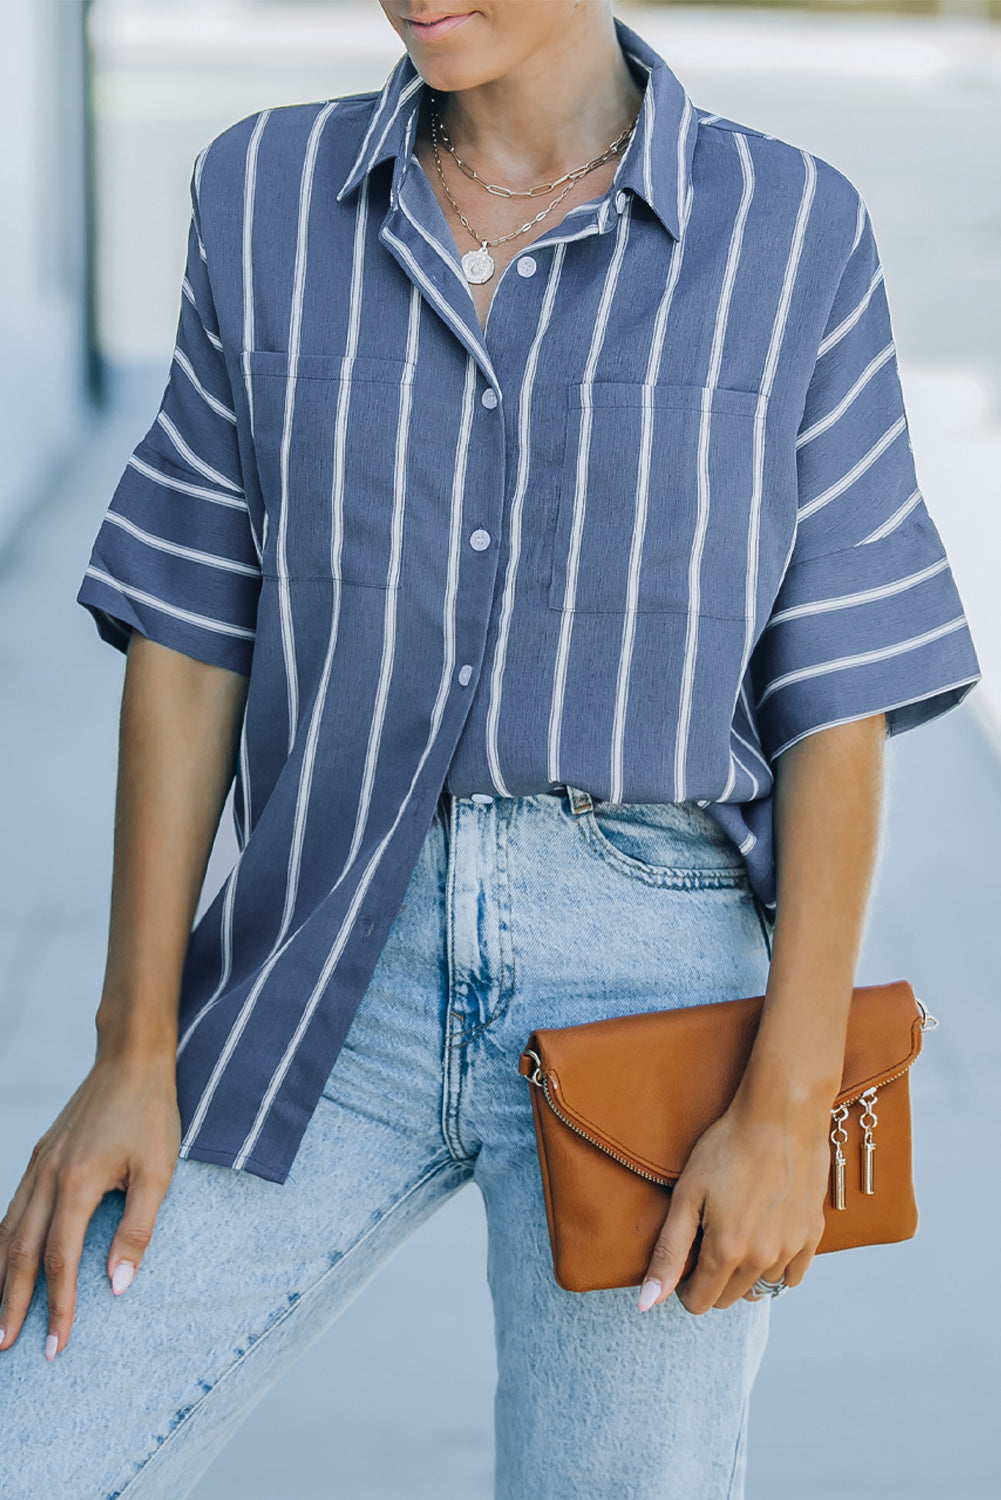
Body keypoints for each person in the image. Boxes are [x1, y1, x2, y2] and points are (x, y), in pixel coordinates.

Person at [0, 3, 981, 1496]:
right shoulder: (264, 195)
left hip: (655, 992)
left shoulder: (791, 233)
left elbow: (832, 701)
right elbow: (191, 628)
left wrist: (785, 1109)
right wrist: (131, 1051)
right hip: (322, 957)